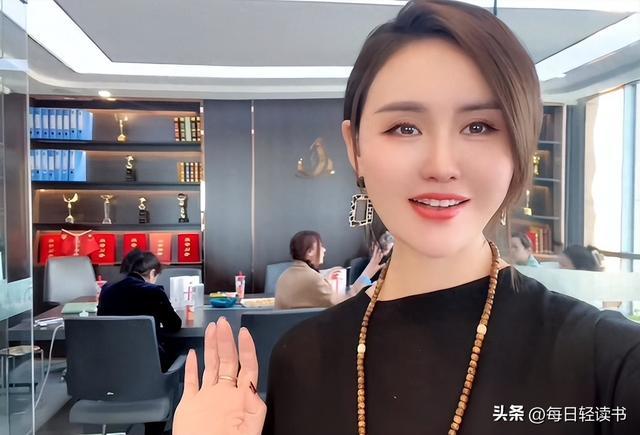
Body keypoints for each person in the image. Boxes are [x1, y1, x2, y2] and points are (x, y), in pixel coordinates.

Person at [173, 1, 640, 434]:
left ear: (519, 146)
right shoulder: (302, 359)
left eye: (479, 127)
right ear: (355, 147)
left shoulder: (610, 362)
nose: (441, 165)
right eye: (405, 128)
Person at [98, 250, 182, 435]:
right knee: (176, 358)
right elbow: (175, 325)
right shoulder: (153, 292)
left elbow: (101, 324)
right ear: (152, 273)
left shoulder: (107, 291)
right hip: (149, 370)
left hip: (111, 370)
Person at [274, 230, 384, 309]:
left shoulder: (284, 276)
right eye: (320, 246)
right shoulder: (312, 279)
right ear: (309, 252)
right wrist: (368, 276)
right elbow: (349, 299)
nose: (324, 250)